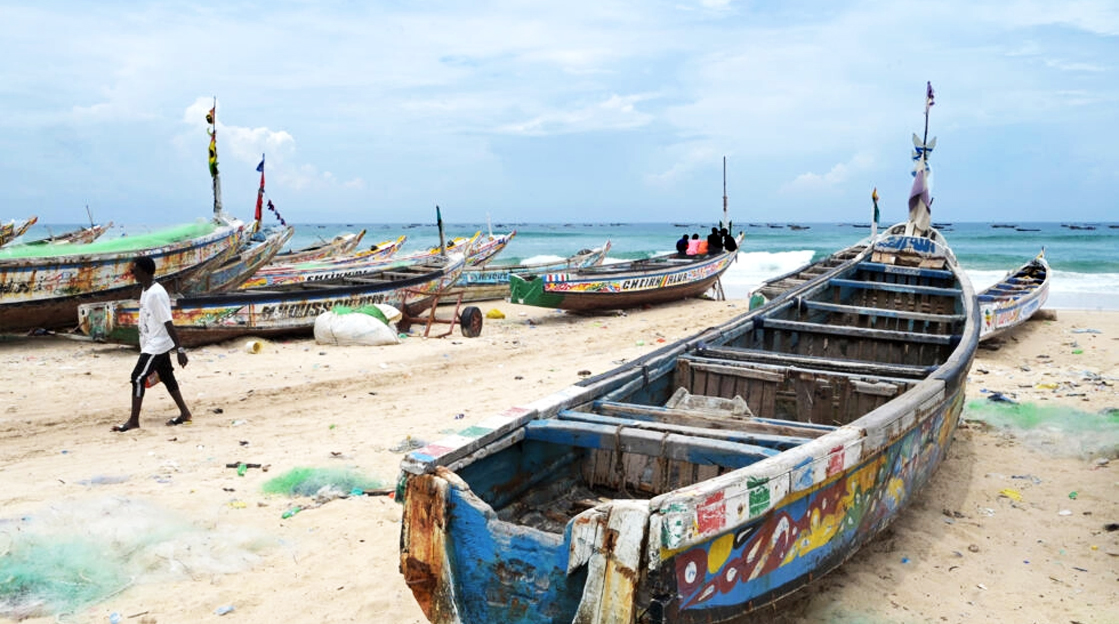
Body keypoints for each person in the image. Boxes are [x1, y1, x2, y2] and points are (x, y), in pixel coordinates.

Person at [112, 256, 192, 432]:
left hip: (157, 344)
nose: (132, 274)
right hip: (152, 342)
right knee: (166, 376)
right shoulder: (146, 290)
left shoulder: (157, 293)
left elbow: (168, 322)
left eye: (135, 271)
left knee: (138, 378)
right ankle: (185, 413)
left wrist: (180, 349)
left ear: (145, 272)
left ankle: (133, 421)